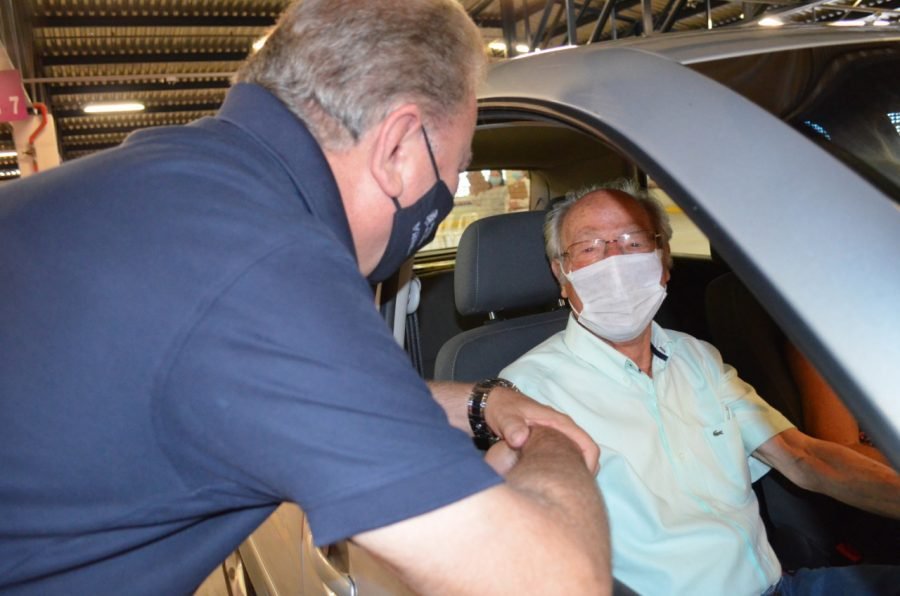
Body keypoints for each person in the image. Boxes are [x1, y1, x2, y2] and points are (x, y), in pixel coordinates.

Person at [0, 1, 613, 593]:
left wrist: (483, 403)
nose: (451, 187)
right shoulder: (267, 265)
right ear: (399, 149)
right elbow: (557, 582)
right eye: (456, 165)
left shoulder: (186, 186)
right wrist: (551, 444)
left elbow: (258, 384)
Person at [499, 179, 900, 595]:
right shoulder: (527, 393)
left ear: (663, 262)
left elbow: (802, 456)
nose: (614, 259)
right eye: (589, 247)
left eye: (634, 242)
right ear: (562, 275)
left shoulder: (696, 357)